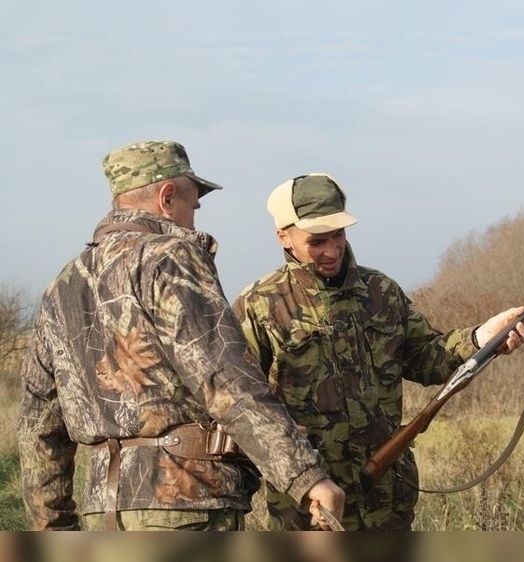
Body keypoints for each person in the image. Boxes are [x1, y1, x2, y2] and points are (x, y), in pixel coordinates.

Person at [16, 141, 344, 531]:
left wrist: (53, 528)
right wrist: (307, 476)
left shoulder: (63, 284)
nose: (194, 218)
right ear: (167, 196)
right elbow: (225, 378)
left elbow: (38, 425)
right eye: (194, 204)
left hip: (105, 516)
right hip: (188, 509)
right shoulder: (169, 258)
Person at [231, 173, 524, 530]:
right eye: (317, 241)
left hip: (388, 499)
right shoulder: (259, 306)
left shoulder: (382, 292)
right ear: (284, 236)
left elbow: (428, 357)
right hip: (310, 509)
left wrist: (482, 337)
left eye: (338, 236)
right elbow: (241, 405)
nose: (332, 251)